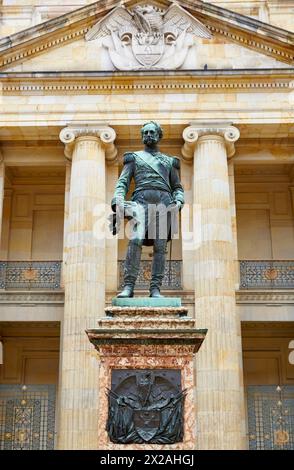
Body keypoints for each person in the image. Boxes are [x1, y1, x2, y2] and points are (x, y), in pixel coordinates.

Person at [111, 121, 184, 298]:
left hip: (163, 202)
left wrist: (179, 200)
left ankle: (155, 289)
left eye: (152, 132)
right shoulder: (134, 158)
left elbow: (177, 187)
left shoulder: (170, 162)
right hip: (141, 201)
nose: (149, 135)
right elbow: (123, 182)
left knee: (160, 247)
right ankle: (128, 286)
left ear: (158, 135)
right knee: (135, 239)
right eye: (146, 133)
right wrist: (118, 199)